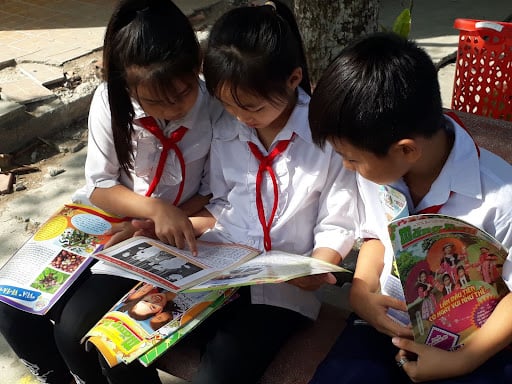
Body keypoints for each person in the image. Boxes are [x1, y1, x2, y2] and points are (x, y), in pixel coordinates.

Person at [106, 2, 357, 383]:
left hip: (281, 290)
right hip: (218, 271)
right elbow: (222, 202)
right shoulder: (229, 126)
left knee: (219, 371)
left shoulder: (325, 138)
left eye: (251, 106)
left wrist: (317, 266)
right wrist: (172, 227)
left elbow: (337, 219)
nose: (241, 117)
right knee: (119, 345)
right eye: (227, 105)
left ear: (293, 79)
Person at [0, 1, 223, 383]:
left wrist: (159, 220)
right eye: (155, 100)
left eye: (182, 93)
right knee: (13, 307)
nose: (171, 108)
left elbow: (213, 189)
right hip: (109, 219)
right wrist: (152, 210)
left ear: (197, 64)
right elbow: (101, 186)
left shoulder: (214, 107)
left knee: (78, 332)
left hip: (168, 232)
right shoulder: (110, 101)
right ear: (127, 84)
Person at [307, 32, 512, 383]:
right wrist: (361, 291)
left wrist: (463, 361)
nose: (346, 167)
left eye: (351, 158)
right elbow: (375, 236)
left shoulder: (501, 195)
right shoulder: (379, 168)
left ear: (406, 150)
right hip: (387, 322)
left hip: (475, 340)